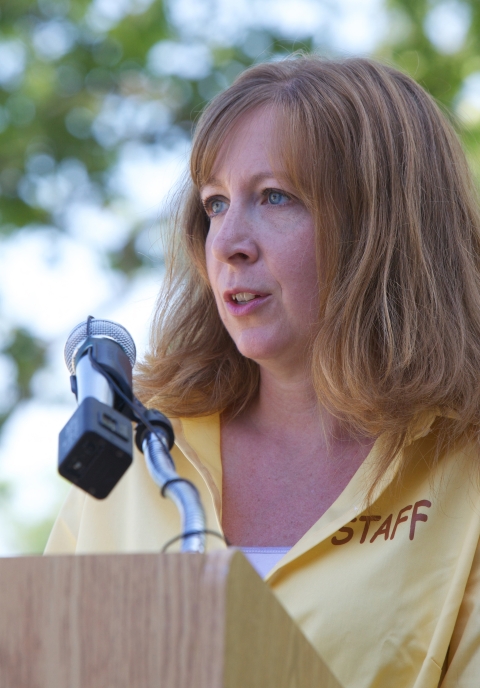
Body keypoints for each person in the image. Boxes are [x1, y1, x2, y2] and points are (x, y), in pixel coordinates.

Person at [46, 56, 480, 686]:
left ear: (382, 226)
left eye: (276, 197)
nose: (227, 243)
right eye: (216, 204)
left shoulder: (466, 465)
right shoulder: (135, 455)